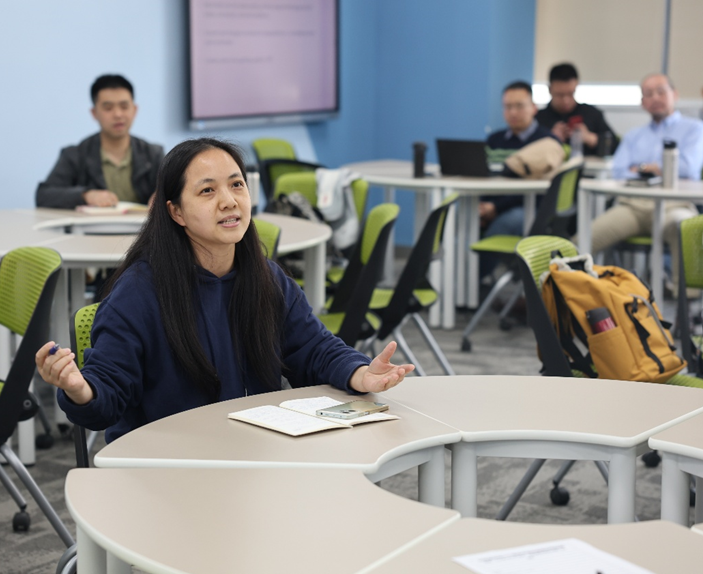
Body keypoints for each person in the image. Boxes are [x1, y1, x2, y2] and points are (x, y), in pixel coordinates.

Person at [35, 138, 414, 442]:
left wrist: (359, 373)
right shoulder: (138, 293)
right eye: (207, 191)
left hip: (252, 453)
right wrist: (79, 388)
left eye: (237, 185)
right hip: (167, 467)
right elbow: (107, 399)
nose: (229, 201)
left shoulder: (266, 277)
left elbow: (314, 349)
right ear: (176, 212)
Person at [586, 74, 703, 290]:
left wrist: (642, 168)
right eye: (649, 94)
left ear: (675, 94)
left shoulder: (694, 129)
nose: (655, 98)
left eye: (661, 91)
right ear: (642, 102)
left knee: (686, 228)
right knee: (586, 238)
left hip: (674, 206)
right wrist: (657, 168)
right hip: (633, 207)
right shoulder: (634, 135)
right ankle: (573, 296)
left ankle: (686, 304)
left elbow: (688, 168)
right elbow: (619, 171)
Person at [35, 74, 164, 209]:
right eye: (108, 108)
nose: (118, 114)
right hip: (91, 223)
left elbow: (174, 190)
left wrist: (162, 196)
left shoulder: (153, 154)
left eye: (124, 107)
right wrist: (85, 195)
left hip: (142, 223)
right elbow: (44, 195)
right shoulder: (75, 155)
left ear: (134, 110)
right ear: (94, 113)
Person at [479, 81, 557, 279]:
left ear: (533, 108)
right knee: (460, 220)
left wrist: (496, 207)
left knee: (504, 224)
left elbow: (540, 190)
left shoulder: (546, 142)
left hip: (527, 208)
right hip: (491, 205)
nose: (513, 112)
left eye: (519, 106)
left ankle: (474, 281)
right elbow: (484, 178)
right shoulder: (494, 140)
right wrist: (483, 205)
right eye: (508, 107)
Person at [536, 63, 618, 157]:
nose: (566, 100)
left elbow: (618, 147)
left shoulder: (592, 114)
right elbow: (525, 149)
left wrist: (590, 138)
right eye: (560, 95)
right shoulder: (538, 119)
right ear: (550, 89)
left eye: (571, 93)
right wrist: (549, 139)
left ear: (576, 86)